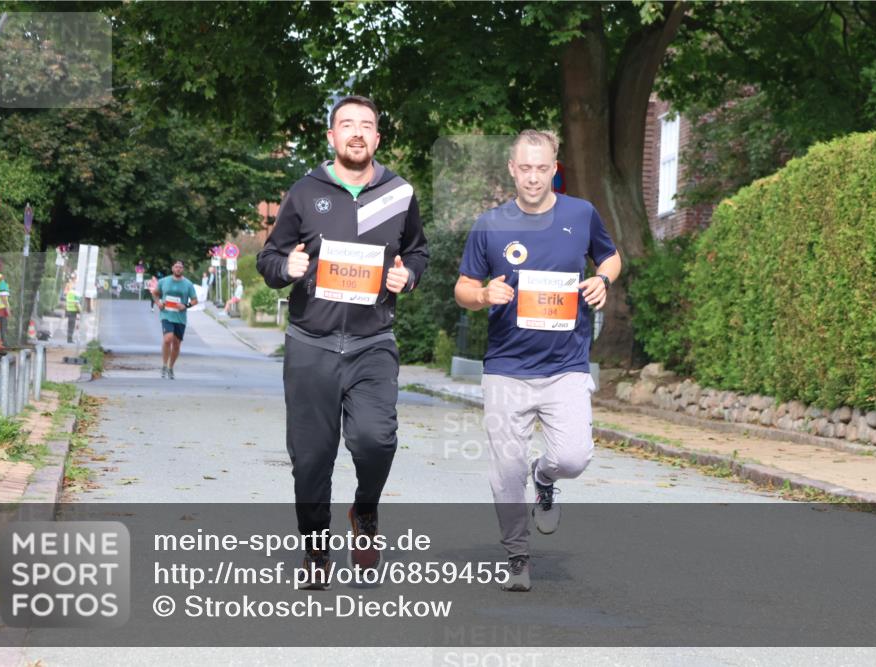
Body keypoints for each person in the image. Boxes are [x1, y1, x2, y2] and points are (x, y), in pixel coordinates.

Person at [257, 95, 428, 587]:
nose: (356, 133)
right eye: (346, 125)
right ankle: (315, 548)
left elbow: (417, 252)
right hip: (311, 342)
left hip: (373, 343)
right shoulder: (305, 192)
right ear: (330, 137)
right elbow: (269, 258)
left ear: (378, 137)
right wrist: (284, 268)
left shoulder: (399, 193)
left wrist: (408, 277)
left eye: (366, 125)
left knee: (376, 441)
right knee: (310, 459)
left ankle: (365, 511)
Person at [454, 130, 622, 592]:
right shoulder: (490, 224)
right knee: (506, 467)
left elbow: (611, 258)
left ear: (554, 168)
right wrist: (484, 293)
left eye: (541, 168)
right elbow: (463, 288)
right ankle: (517, 556)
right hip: (507, 367)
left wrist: (602, 281)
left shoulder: (580, 214)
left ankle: (544, 478)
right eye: (524, 168)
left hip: (566, 365)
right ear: (512, 169)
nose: (533, 177)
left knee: (572, 457)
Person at [152, 260, 198, 379]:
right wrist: (158, 303)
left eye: (180, 267)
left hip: (180, 317)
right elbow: (155, 293)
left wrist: (185, 305)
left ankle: (170, 367)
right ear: (172, 268)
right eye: (176, 267)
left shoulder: (188, 284)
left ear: (183, 269)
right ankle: (163, 364)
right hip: (166, 314)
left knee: (176, 344)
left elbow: (194, 300)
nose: (178, 269)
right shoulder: (164, 281)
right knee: (168, 339)